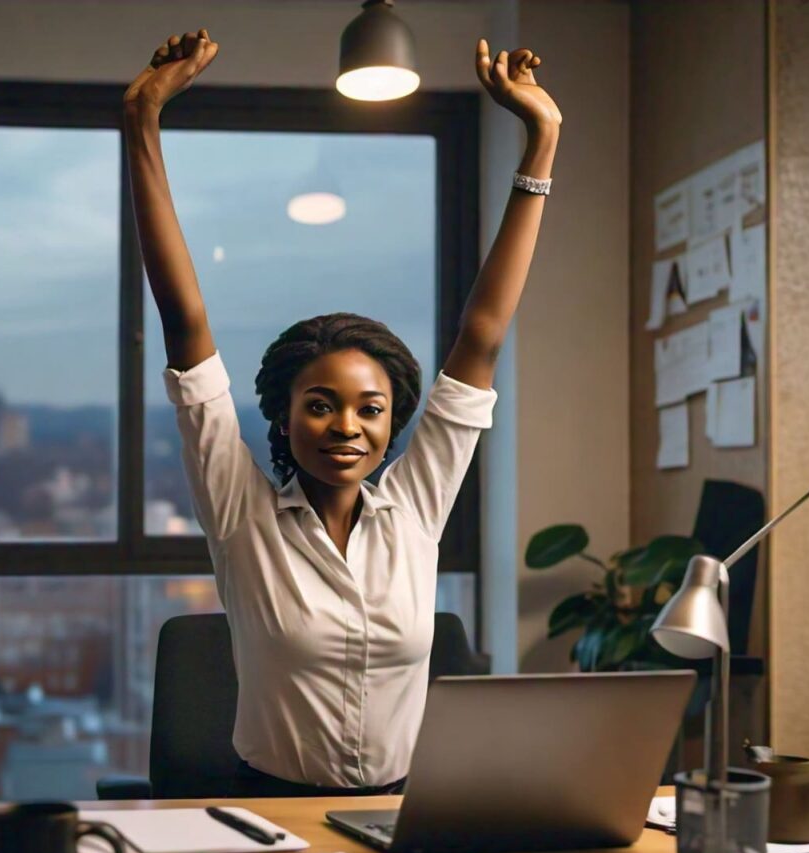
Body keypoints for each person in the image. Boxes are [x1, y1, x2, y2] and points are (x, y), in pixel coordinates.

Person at [123, 28, 561, 797]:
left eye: (371, 408)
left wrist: (543, 141)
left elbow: (482, 334)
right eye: (320, 406)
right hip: (271, 813)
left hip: (407, 814)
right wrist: (143, 121)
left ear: (395, 423)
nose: (347, 427)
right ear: (284, 417)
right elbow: (185, 320)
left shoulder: (418, 506)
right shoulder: (241, 514)